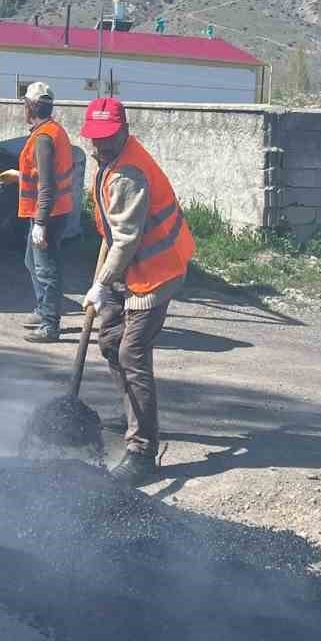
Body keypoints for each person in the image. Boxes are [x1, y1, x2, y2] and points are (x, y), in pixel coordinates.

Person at [80, 96, 195, 485]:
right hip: (129, 269)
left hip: (155, 272)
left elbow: (127, 238)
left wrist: (100, 284)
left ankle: (143, 451)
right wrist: (104, 280)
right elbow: (113, 230)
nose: (101, 143)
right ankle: (134, 415)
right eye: (95, 137)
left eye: (108, 136)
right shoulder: (110, 162)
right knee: (111, 342)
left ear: (125, 131)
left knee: (132, 353)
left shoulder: (129, 173)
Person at [0, 81, 75, 344]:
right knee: (32, 262)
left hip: (48, 214)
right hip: (54, 210)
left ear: (30, 107)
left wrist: (40, 223)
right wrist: (20, 175)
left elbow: (47, 185)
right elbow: (44, 175)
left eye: (25, 104)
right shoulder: (51, 131)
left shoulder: (43, 138)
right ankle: (44, 310)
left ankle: (49, 324)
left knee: (46, 268)